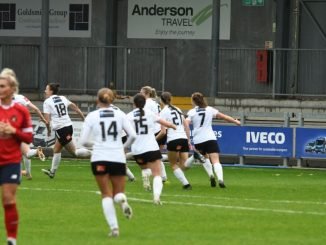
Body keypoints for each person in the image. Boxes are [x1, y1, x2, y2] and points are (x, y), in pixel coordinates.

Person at [80, 88, 136, 237]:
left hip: (99, 157)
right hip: (117, 157)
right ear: (112, 100)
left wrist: (98, 144)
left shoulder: (92, 116)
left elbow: (84, 141)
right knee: (118, 192)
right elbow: (133, 135)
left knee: (106, 194)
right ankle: (122, 199)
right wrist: (122, 146)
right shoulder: (120, 114)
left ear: (98, 100)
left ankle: (114, 229)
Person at [0, 74, 33, 245]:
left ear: (12, 89)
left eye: (3, 86)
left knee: (8, 199)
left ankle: (11, 239)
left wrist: (13, 131)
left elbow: (28, 138)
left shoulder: (21, 110)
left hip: (10, 162)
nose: (0, 89)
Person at [127, 93, 176, 204]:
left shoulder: (128, 116)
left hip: (137, 150)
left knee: (145, 169)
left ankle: (145, 174)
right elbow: (164, 123)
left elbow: (125, 131)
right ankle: (156, 197)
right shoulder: (150, 113)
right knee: (157, 174)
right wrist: (172, 126)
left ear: (134, 104)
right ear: (145, 103)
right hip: (151, 147)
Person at [185, 92, 241, 188]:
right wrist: (235, 121)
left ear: (194, 101)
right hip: (210, 137)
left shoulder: (192, 112)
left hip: (198, 139)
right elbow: (224, 116)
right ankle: (220, 179)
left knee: (204, 158)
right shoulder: (210, 109)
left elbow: (186, 123)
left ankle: (211, 175)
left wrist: (188, 136)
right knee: (216, 160)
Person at [0, 68, 47, 180]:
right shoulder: (21, 98)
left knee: (18, 153)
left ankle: (35, 153)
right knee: (25, 152)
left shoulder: (2, 98)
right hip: (20, 128)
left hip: (7, 129)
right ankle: (29, 173)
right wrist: (44, 120)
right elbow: (35, 109)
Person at [41, 83, 91, 179]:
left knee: (74, 152)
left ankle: (95, 154)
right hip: (68, 126)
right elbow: (75, 108)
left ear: (51, 91)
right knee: (56, 149)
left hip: (62, 129)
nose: (45, 91)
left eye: (46, 89)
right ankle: (52, 172)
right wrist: (84, 119)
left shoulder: (47, 102)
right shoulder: (63, 98)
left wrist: (48, 130)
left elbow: (47, 120)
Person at [159, 92, 192, 190]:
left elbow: (163, 131)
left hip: (173, 139)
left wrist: (154, 139)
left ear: (161, 100)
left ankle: (186, 184)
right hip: (183, 138)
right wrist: (188, 140)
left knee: (173, 164)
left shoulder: (163, 112)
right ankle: (194, 157)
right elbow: (186, 125)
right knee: (184, 165)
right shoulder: (177, 109)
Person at [140, 86, 169, 184]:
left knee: (150, 156)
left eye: (141, 92)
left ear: (147, 93)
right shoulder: (155, 103)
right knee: (157, 155)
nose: (140, 94)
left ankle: (158, 176)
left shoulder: (147, 103)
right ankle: (163, 177)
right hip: (161, 130)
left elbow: (145, 117)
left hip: (154, 131)